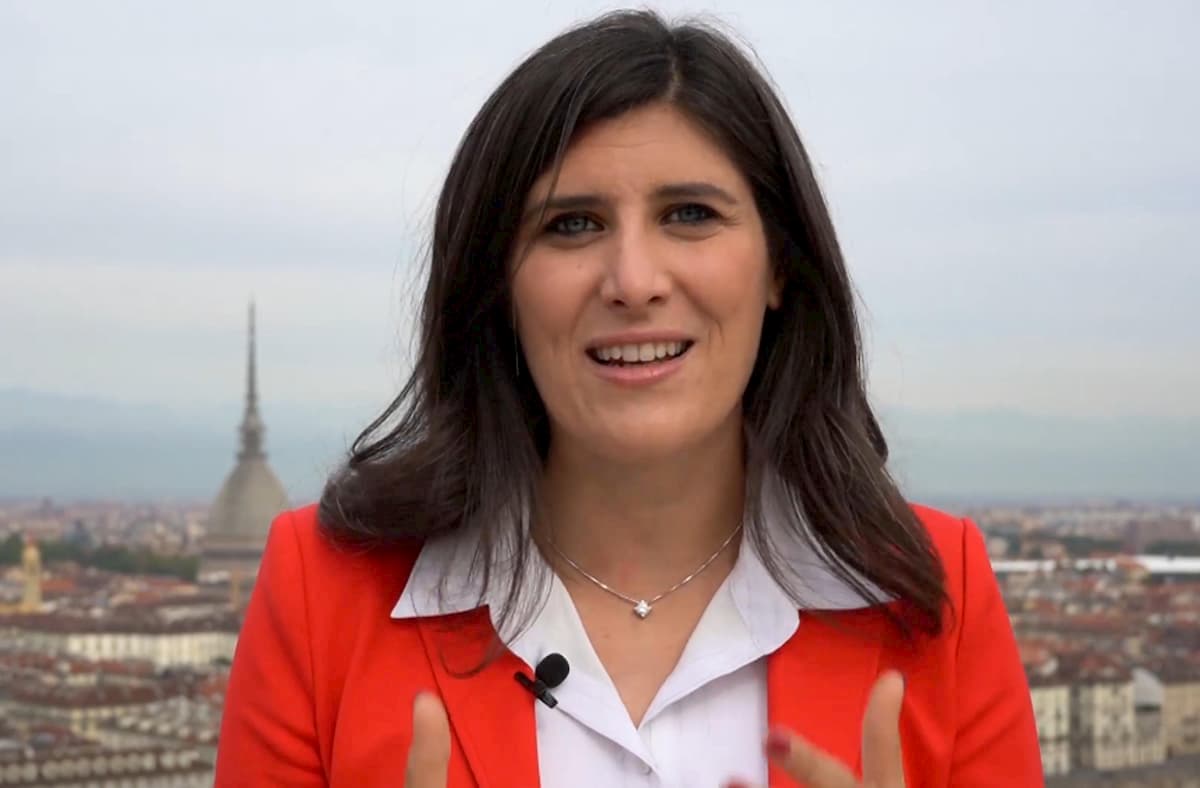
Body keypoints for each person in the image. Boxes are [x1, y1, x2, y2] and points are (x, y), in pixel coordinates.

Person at [215, 9, 1043, 787]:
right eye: (572, 224)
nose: (634, 281)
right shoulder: (323, 595)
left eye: (690, 214)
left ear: (780, 268)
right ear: (498, 286)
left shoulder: (937, 595)